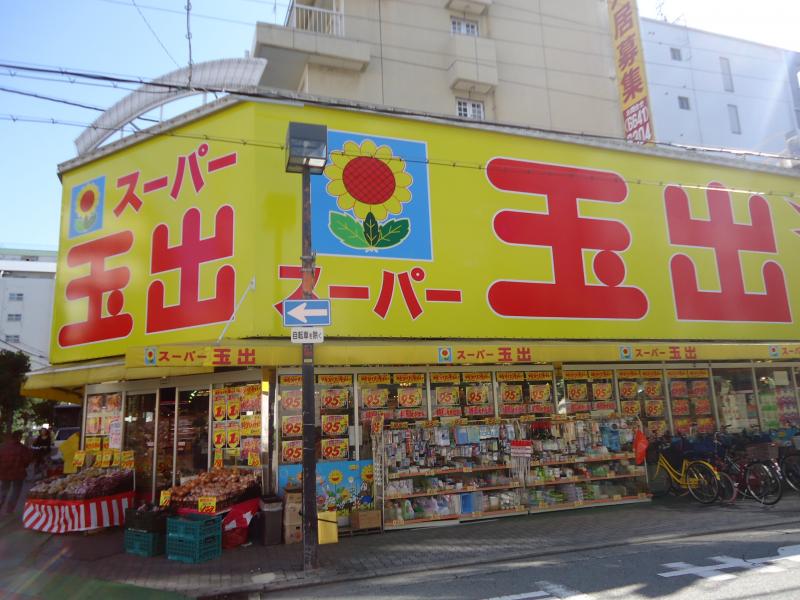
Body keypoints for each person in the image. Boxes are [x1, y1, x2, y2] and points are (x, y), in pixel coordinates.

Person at [0, 431, 34, 515]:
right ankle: (9, 509)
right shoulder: (22, 448)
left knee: (3, 489)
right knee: (16, 490)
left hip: (4, 472)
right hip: (18, 473)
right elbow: (27, 459)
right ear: (19, 437)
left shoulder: (3, 447)